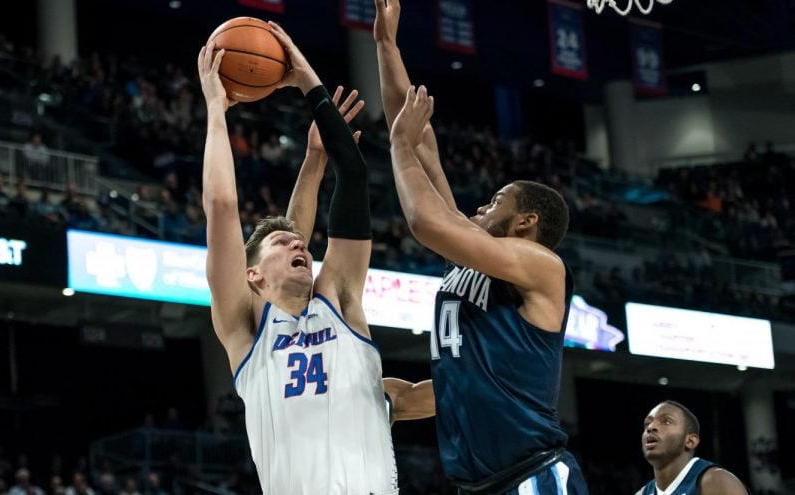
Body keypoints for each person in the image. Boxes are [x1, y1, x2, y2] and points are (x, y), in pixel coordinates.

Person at [377, 2, 588, 492]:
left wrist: (398, 147)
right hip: (479, 483)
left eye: (496, 201)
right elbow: (419, 135)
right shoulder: (472, 261)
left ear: (526, 221)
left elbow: (424, 219)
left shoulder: (542, 266)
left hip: (533, 474)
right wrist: (385, 46)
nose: (479, 208)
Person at [197, 21, 398, 494]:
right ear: (252, 276)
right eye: (282, 245)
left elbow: (353, 174)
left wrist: (306, 78)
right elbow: (222, 207)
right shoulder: (246, 334)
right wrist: (215, 110)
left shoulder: (340, 300)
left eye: (300, 243)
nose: (299, 245)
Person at [636, 401, 748, 495]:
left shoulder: (716, 481)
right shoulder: (643, 493)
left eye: (666, 421)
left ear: (690, 441)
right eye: (647, 424)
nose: (650, 427)